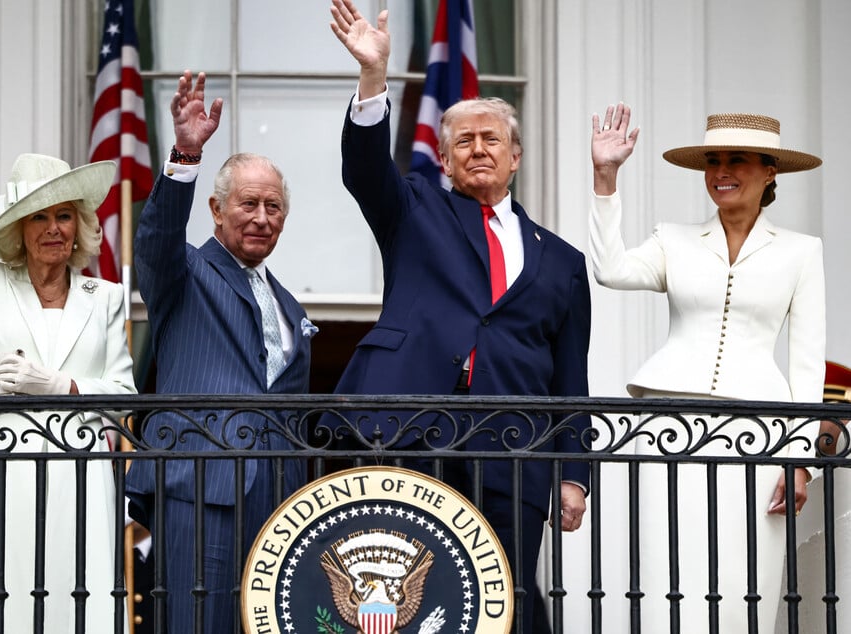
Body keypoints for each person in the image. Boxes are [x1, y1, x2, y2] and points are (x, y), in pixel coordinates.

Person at [328, 2, 591, 631]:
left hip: (514, 448)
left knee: (506, 598)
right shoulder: (415, 207)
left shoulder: (564, 261)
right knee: (404, 601)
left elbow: (569, 374)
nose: (477, 149)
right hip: (412, 434)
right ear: (443, 160)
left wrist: (574, 474)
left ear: (515, 156)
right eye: (462, 141)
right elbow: (365, 169)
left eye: (490, 139)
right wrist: (374, 76)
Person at [589, 103, 824, 631]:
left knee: (749, 577)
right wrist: (606, 178)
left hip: (760, 434)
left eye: (737, 160)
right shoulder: (673, 239)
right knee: (667, 568)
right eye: (713, 160)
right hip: (668, 426)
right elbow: (610, 269)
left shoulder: (801, 253)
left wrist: (802, 457)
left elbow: (807, 360)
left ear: (770, 172)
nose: (721, 172)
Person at [0, 112, 137, 632]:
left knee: (71, 597)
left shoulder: (103, 299)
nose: (53, 228)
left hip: (73, 474)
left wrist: (64, 387)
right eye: (38, 217)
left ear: (78, 225)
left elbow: (124, 394)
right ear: (19, 228)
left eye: (63, 215)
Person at [124, 71, 313, 633]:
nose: (261, 217)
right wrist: (185, 154)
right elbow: (154, 239)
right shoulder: (184, 272)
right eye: (249, 203)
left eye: (273, 207)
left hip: (280, 497)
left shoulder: (289, 305)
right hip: (201, 483)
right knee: (194, 623)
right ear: (215, 209)